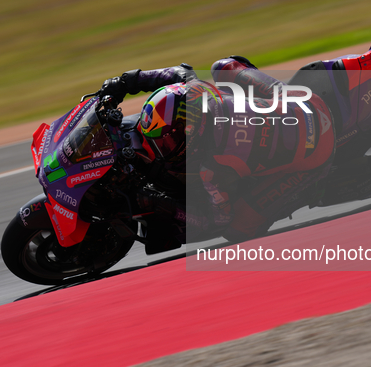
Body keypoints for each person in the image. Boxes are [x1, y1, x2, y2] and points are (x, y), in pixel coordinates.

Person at [96, 56, 335, 247]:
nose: (156, 149)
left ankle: (313, 190)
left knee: (239, 228)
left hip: (317, 151)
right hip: (305, 102)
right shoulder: (196, 90)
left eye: (165, 144)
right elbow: (176, 73)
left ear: (193, 137)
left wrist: (164, 203)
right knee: (224, 66)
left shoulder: (213, 169)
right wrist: (127, 82)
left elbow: (217, 221)